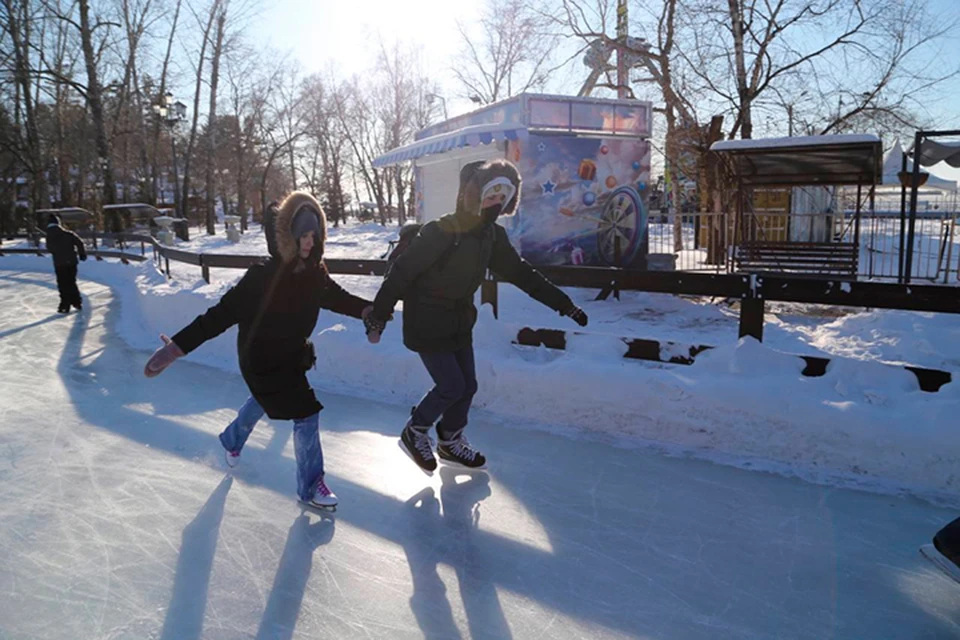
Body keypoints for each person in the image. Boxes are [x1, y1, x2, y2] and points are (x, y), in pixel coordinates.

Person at [143, 191, 374, 510]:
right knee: (305, 412)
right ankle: (310, 486)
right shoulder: (261, 277)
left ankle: (232, 439)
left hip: (290, 358)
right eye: (303, 235)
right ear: (288, 236)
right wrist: (175, 349)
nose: (309, 242)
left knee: (265, 400)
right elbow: (218, 316)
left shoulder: (314, 273)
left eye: (313, 235)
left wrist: (366, 311)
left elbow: (337, 297)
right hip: (260, 359)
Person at [364, 159, 588, 474]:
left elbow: (523, 275)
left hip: (458, 320)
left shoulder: (492, 237)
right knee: (451, 386)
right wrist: (380, 314)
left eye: (503, 197)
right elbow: (403, 271)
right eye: (491, 194)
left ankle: (449, 440)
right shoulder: (443, 229)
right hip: (426, 319)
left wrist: (564, 304)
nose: (496, 203)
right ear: (474, 194)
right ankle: (414, 432)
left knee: (468, 385)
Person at [45, 213, 87, 313]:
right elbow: (79, 242)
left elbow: (50, 249)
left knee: (63, 283)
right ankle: (76, 302)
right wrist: (82, 254)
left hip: (59, 263)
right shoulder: (68, 234)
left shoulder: (49, 236)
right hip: (72, 262)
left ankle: (65, 304)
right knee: (71, 282)